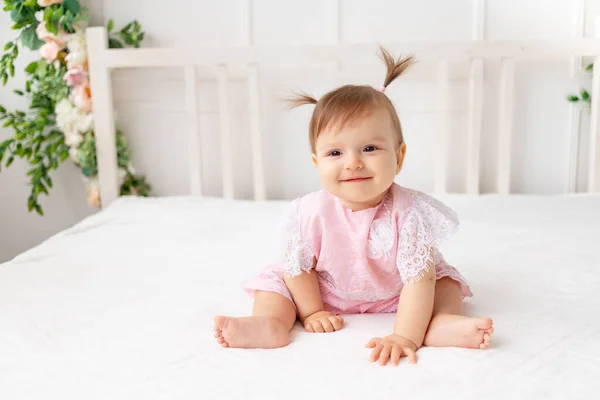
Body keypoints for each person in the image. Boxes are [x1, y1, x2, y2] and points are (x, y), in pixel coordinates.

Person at [213, 47, 493, 366]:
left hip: (396, 293)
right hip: (323, 292)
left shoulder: (410, 212)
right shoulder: (308, 212)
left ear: (399, 157)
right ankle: (271, 323)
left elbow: (418, 281)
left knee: (442, 283)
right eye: (335, 154)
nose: (353, 163)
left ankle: (439, 323)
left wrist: (405, 335)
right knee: (274, 283)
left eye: (370, 148)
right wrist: (313, 311)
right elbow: (299, 270)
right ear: (317, 163)